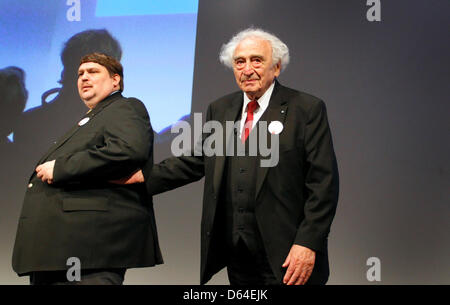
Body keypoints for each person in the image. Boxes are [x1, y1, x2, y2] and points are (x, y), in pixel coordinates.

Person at [124, 27, 339, 285]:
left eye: (256, 60)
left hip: (288, 254)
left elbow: (323, 184)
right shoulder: (222, 108)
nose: (247, 69)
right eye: (239, 62)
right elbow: (196, 161)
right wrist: (141, 178)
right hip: (238, 253)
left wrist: (307, 242)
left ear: (277, 67)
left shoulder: (306, 109)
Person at [12, 53, 162, 285]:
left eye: (93, 72)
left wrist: (61, 167)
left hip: (89, 249)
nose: (84, 77)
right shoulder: (92, 118)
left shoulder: (124, 107)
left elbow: (128, 150)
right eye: (80, 73)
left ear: (115, 81)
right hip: (59, 250)